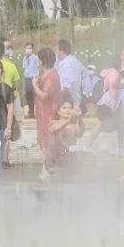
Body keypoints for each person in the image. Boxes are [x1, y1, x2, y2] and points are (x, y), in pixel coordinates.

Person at [32, 47, 61, 177]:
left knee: (48, 140)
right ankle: (48, 169)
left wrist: (33, 85)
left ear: (43, 61)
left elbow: (44, 95)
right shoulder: (45, 75)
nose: (37, 63)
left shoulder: (51, 76)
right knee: (43, 139)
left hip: (49, 114)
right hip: (43, 112)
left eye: (38, 60)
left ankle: (49, 170)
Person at [45, 99, 83, 182]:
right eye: (64, 108)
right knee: (56, 186)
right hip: (55, 160)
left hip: (69, 160)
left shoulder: (73, 125)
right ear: (58, 112)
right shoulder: (53, 123)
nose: (67, 110)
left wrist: (79, 118)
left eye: (70, 108)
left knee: (69, 186)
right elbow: (53, 129)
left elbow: (80, 134)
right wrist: (69, 119)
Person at [55, 39, 84, 104]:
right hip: (72, 100)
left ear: (61, 51)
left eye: (56, 51)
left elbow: (66, 87)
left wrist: (59, 101)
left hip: (70, 102)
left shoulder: (68, 64)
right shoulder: (71, 61)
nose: (56, 54)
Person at [21, 43, 39, 119]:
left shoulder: (35, 58)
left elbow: (38, 67)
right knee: (28, 96)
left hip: (34, 78)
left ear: (32, 49)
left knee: (35, 95)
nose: (28, 49)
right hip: (27, 78)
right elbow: (25, 68)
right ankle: (30, 112)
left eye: (30, 48)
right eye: (27, 48)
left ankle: (36, 112)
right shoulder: (24, 58)